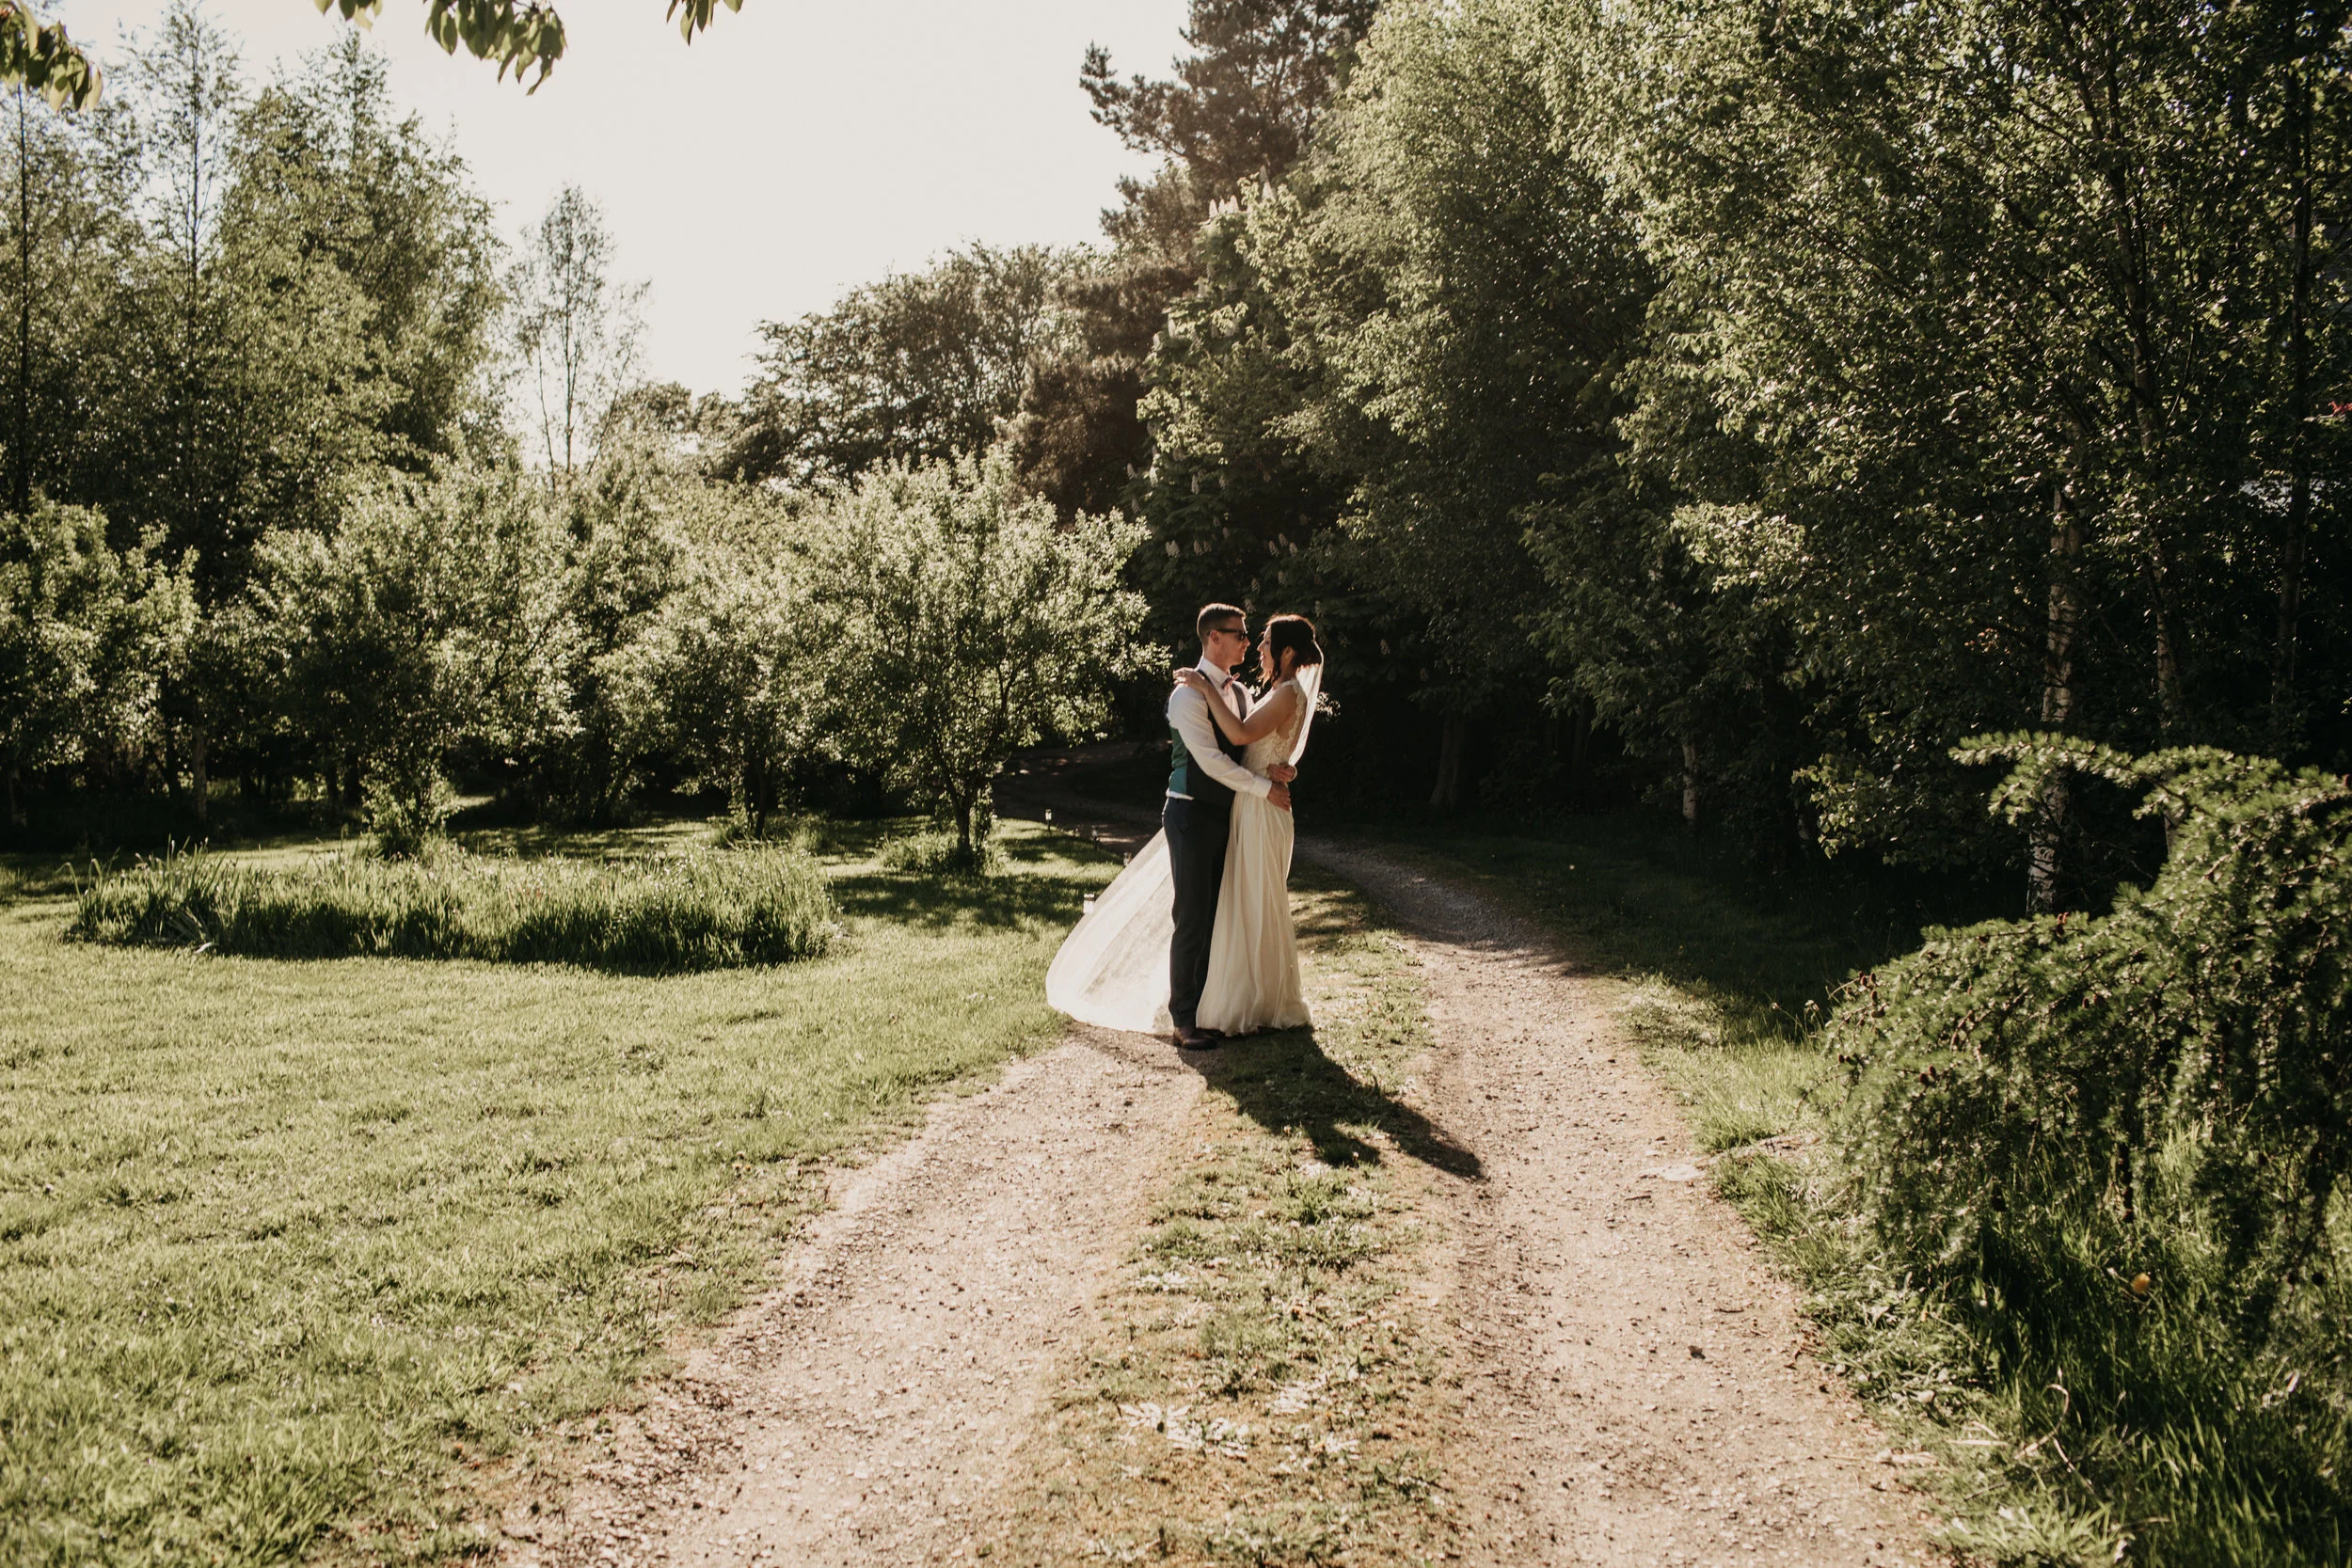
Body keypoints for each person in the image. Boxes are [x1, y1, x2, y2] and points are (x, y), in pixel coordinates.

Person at [1043, 606, 1321, 1049]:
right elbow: (1210, 761)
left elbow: (1254, 744)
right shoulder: (1187, 695)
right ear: (1214, 638)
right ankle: (1184, 1020)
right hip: (1191, 812)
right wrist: (1262, 786)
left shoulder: (1244, 695)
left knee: (1220, 915)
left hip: (1234, 814)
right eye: (1240, 636)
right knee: (1191, 916)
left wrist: (1277, 772)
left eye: (1253, 637)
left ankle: (1210, 1006)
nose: (1248, 644)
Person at [1179, 613, 1323, 1037]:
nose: (1257, 648)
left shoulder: (1286, 692)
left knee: (1258, 904)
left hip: (1263, 808)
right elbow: (1273, 747)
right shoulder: (1280, 691)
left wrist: (1205, 687)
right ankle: (1255, 996)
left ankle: (1261, 1002)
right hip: (1258, 801)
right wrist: (1284, 768)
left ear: (1287, 652)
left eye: (1264, 641)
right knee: (1249, 902)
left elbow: (1241, 736)